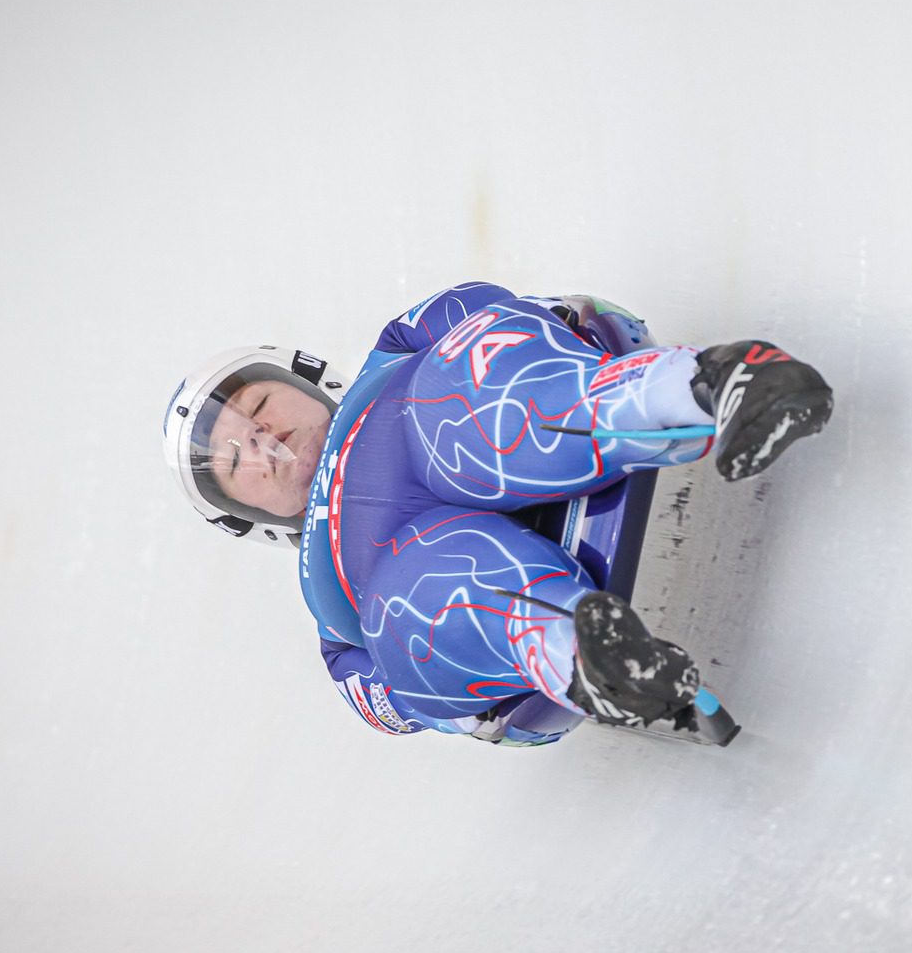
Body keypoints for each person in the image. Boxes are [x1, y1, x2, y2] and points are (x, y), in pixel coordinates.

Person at [163, 281, 832, 745]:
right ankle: (583, 654)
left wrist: (545, 324)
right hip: (415, 562)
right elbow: (393, 708)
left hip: (451, 425)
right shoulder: (334, 615)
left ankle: (711, 389)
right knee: (405, 605)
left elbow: (482, 309)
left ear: (303, 384)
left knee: (453, 405)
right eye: (232, 461)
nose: (259, 439)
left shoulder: (390, 359)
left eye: (256, 409)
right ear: (247, 513)